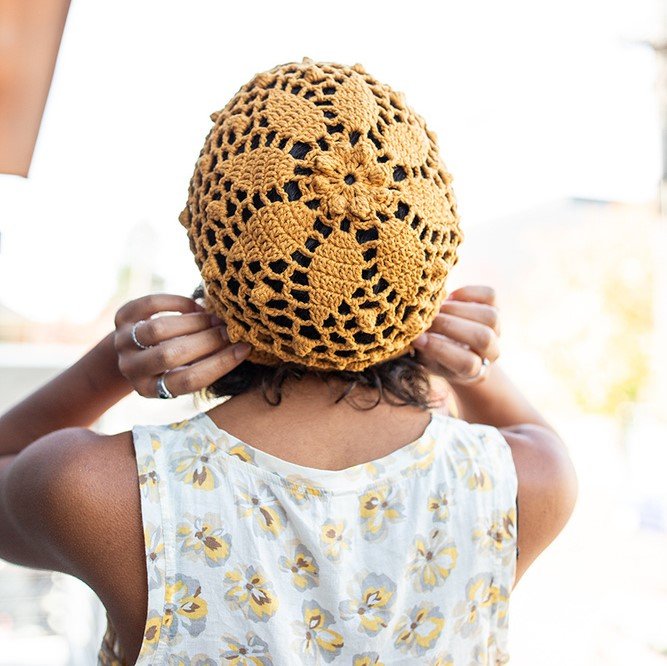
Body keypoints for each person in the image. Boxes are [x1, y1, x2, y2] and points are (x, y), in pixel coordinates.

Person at [0, 57, 578, 665]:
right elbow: (532, 431)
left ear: (214, 245)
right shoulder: (521, 484)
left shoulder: (107, 491)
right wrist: (467, 361)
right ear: (422, 265)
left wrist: (109, 365)